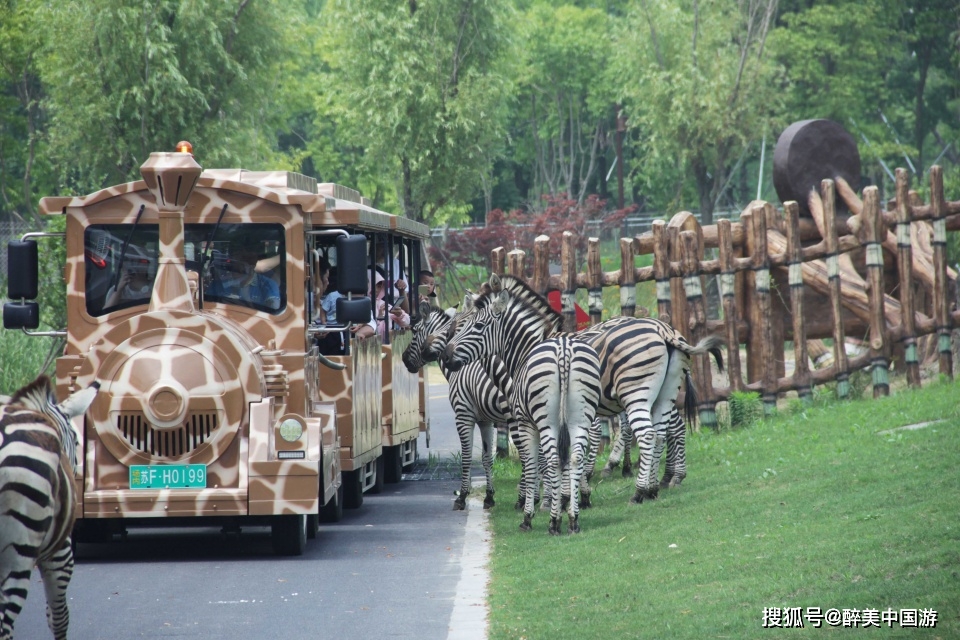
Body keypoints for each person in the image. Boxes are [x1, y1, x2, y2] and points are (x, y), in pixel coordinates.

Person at [206, 242, 281, 310]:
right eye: (238, 257)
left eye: (249, 258)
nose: (245, 263)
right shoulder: (217, 285)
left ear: (256, 260)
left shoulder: (268, 285)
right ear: (231, 258)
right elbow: (206, 310)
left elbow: (272, 315)